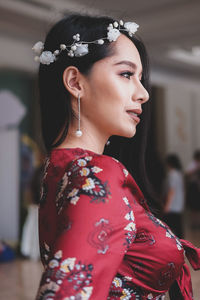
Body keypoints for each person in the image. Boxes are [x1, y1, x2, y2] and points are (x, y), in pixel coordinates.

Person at [33, 14, 200, 300]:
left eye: (140, 78)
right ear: (75, 81)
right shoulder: (96, 173)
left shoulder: (60, 167)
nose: (143, 93)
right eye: (126, 74)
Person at [162, 154, 185, 238]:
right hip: (178, 204)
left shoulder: (172, 174)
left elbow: (171, 190)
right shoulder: (179, 174)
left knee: (170, 225)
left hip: (173, 205)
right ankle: (181, 243)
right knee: (178, 226)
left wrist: (167, 205)